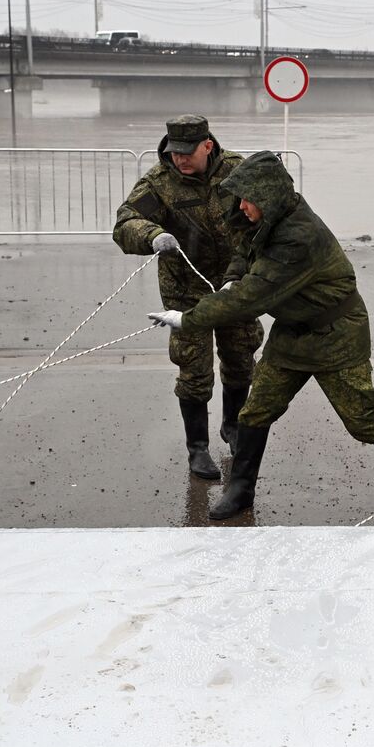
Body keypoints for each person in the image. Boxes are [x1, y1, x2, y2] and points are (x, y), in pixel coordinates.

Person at [147, 151, 374, 521]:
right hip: (291, 333)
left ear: (267, 197)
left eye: (247, 199)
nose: (242, 206)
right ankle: (240, 491)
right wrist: (231, 277)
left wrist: (187, 319)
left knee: (361, 420)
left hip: (336, 335)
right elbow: (244, 249)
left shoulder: (299, 238)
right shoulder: (266, 217)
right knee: (255, 412)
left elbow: (250, 297)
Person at [113, 115, 262, 480]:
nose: (179, 159)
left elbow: (268, 211)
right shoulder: (159, 182)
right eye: (173, 151)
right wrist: (152, 236)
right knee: (194, 370)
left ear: (207, 146)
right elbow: (125, 223)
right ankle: (198, 448)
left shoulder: (237, 170)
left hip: (235, 284)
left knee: (241, 357)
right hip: (186, 291)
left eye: (187, 152)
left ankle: (233, 426)